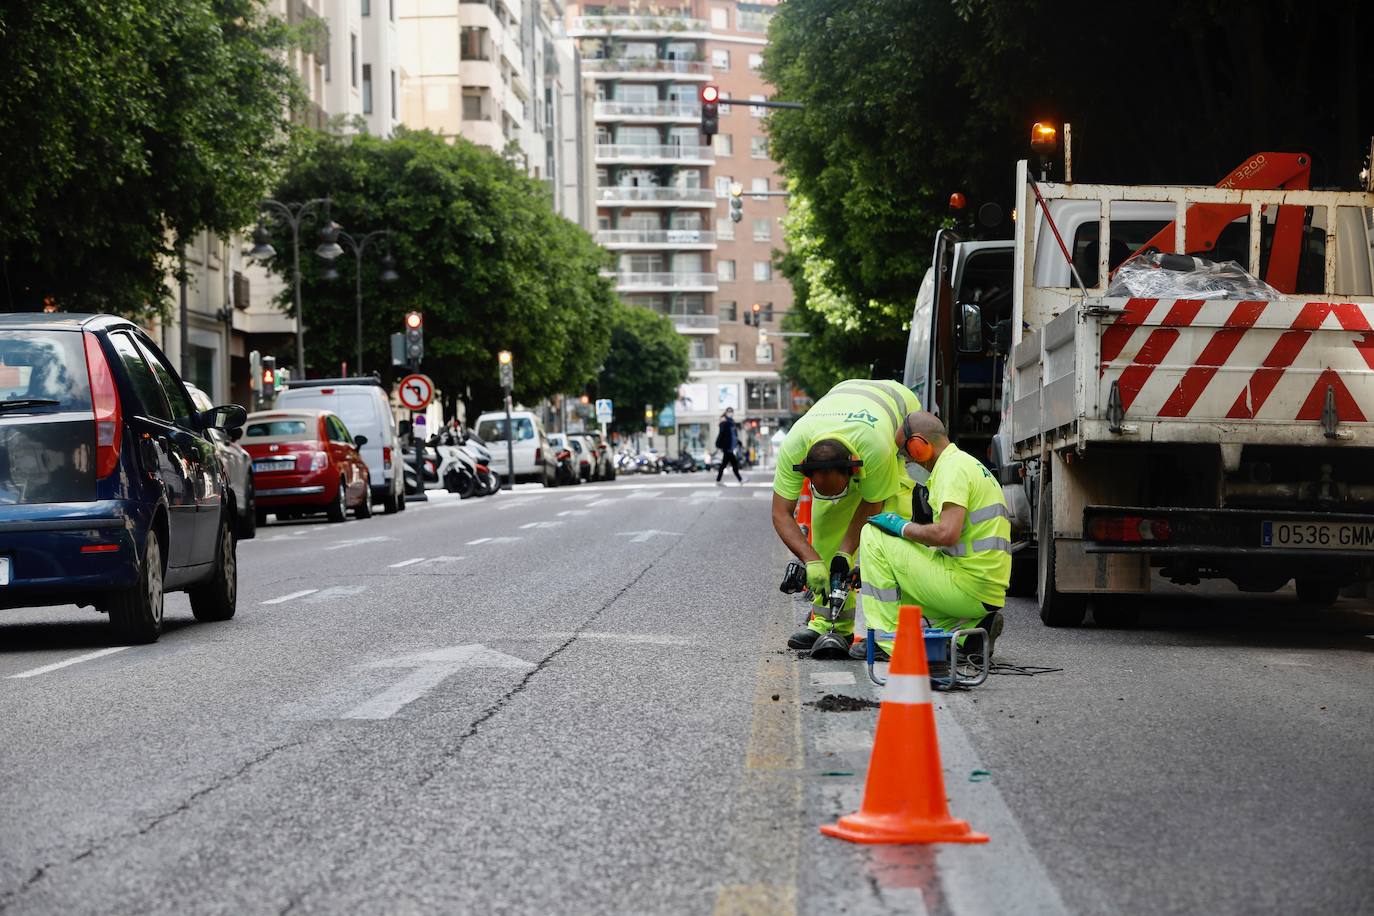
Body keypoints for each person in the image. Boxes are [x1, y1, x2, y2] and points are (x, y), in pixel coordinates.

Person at [770, 379, 921, 650]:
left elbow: (873, 503)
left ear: (853, 471)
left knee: (891, 526)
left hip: (896, 410)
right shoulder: (794, 446)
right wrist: (812, 559)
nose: (831, 498)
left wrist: (846, 552)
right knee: (827, 526)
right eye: (821, 491)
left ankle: (891, 634)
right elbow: (780, 513)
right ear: (806, 470)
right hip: (844, 401)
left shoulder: (877, 449)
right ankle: (829, 623)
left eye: (836, 491)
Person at [858, 411, 1010, 661]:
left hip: (967, 587)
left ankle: (888, 643)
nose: (906, 461)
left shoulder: (951, 470)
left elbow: (946, 534)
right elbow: (954, 541)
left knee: (872, 534)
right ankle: (970, 632)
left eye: (905, 453)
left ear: (918, 446)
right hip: (985, 590)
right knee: (900, 598)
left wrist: (901, 527)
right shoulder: (968, 464)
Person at [715, 407, 744, 484]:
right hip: (727, 447)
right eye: (729, 411)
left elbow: (733, 435)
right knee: (733, 464)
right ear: (726, 412)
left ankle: (718, 480)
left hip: (730, 447)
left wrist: (738, 442)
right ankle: (740, 479)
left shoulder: (732, 422)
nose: (731, 413)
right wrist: (718, 444)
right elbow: (721, 434)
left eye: (732, 411)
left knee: (724, 464)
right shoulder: (724, 422)